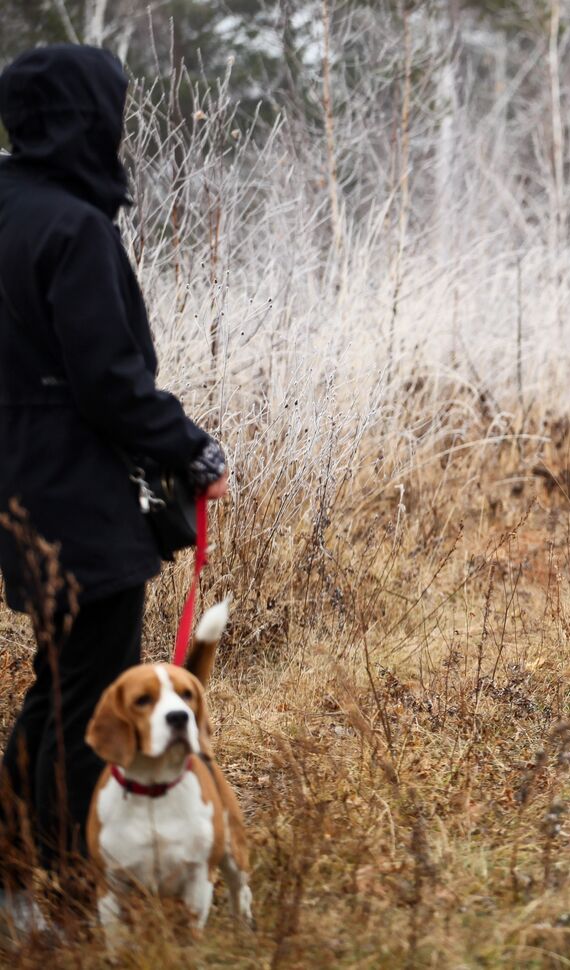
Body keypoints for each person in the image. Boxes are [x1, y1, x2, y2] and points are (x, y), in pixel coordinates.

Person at [0, 44, 230, 913]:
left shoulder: (10, 207)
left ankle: (16, 871)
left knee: (54, 690)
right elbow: (110, 383)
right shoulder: (73, 225)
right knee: (83, 707)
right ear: (87, 119)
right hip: (79, 500)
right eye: (112, 111)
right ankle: (56, 886)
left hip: (18, 494)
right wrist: (194, 451)